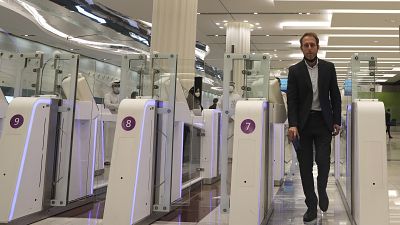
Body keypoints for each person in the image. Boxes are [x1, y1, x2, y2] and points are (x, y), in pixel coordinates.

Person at [287, 32, 341, 222]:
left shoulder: (328, 68)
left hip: (323, 122)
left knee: (324, 162)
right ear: (301, 48)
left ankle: (322, 190)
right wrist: (292, 124)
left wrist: (337, 120)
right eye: (306, 45)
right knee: (305, 166)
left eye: (312, 45)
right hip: (302, 125)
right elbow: (292, 100)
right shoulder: (294, 71)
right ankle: (311, 204)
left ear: (318, 47)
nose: (309, 48)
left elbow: (335, 95)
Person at [103, 79, 121, 166]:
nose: (118, 88)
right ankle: (107, 159)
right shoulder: (108, 95)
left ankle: (116, 157)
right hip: (110, 120)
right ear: (112, 87)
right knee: (108, 139)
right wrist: (116, 106)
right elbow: (107, 104)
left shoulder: (122, 95)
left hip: (119, 120)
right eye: (116, 86)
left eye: (119, 86)